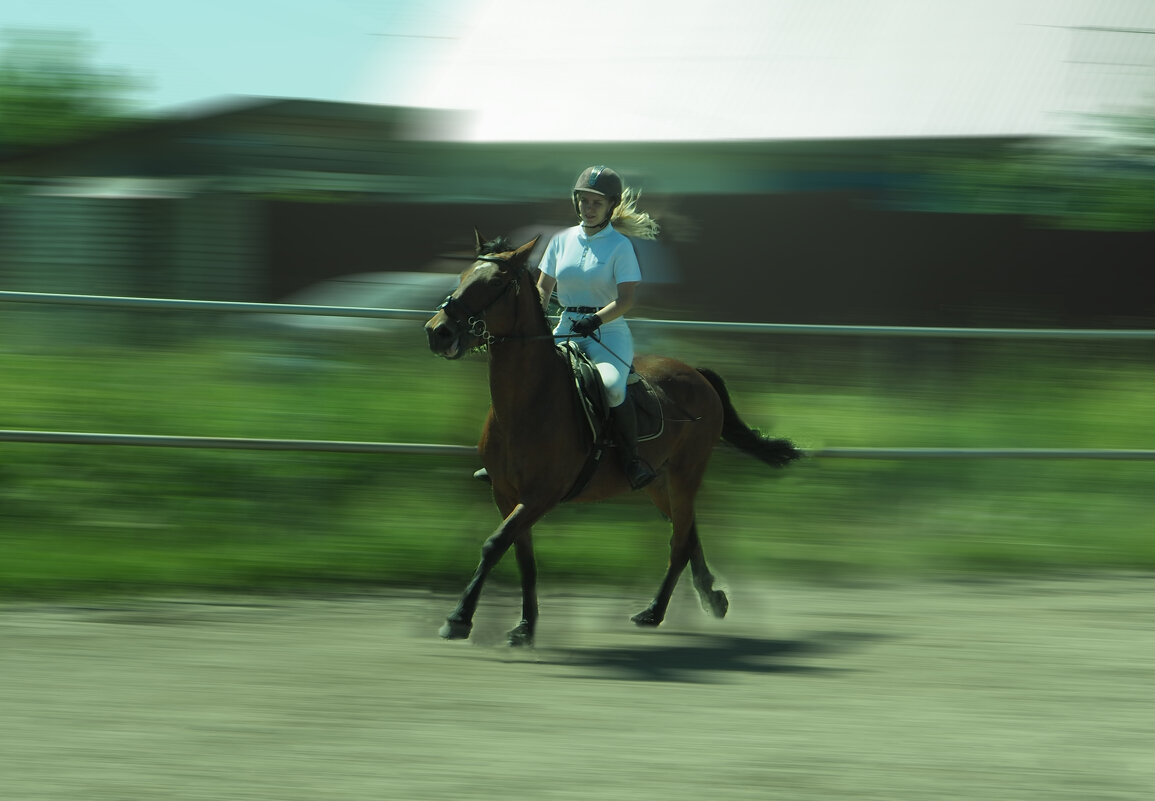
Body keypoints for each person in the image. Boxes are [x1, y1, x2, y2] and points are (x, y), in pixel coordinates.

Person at [534, 165, 661, 489]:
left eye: (596, 203)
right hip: (566, 325)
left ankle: (631, 461)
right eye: (584, 201)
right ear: (576, 202)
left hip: (608, 331)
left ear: (610, 206)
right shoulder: (561, 240)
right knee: (526, 378)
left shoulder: (620, 246)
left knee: (611, 387)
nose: (589, 209)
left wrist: (597, 319)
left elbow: (627, 299)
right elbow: (543, 289)